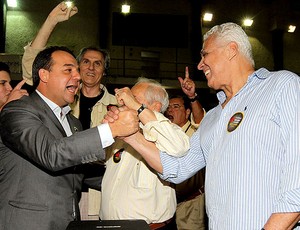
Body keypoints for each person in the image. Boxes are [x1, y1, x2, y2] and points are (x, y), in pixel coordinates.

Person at [111, 22, 300, 229]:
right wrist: (131, 137)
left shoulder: (282, 86)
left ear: (231, 50)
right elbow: (178, 167)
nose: (200, 65)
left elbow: (297, 180)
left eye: (205, 54)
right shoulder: (212, 117)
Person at [0, 46, 139, 230]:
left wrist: (133, 179)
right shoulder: (18, 111)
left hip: (67, 222)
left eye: (76, 70)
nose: (79, 76)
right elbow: (51, 154)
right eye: (68, 70)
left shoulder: (73, 122)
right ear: (44, 75)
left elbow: (76, 171)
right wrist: (111, 130)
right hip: (28, 222)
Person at [21, 2, 118, 220]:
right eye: (85, 62)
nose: (91, 68)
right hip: (55, 192)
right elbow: (32, 67)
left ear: (105, 71)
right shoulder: (61, 96)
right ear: (77, 67)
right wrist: (51, 22)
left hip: (97, 196)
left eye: (98, 64)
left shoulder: (118, 108)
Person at [101, 77, 190, 229]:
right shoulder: (121, 132)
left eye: (133, 98)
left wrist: (138, 109)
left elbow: (180, 148)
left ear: (155, 107)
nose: (125, 102)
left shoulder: (169, 132)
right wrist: (106, 129)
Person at [164, 67, 206, 230]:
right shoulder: (166, 133)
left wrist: (192, 97)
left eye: (176, 107)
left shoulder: (195, 133)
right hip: (167, 203)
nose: (170, 110)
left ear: (187, 112)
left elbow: (201, 121)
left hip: (191, 204)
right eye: (169, 107)